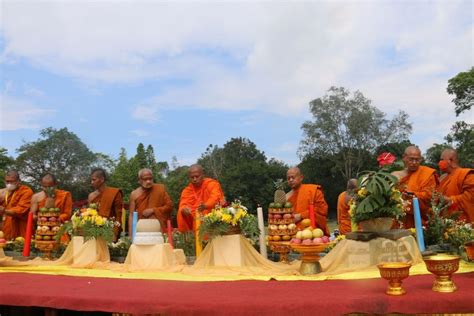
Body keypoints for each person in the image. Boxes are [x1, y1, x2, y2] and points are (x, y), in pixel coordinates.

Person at [392, 145, 438, 228]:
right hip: (398, 217)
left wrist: (413, 194)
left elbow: (430, 195)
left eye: (417, 159)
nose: (414, 162)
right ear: (404, 158)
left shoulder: (427, 173)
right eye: (411, 159)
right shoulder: (395, 175)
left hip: (419, 219)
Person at [177, 164, 225, 232]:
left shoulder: (212, 184)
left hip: (213, 221)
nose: (195, 179)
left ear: (202, 174)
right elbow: (183, 204)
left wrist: (205, 206)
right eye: (192, 177)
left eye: (197, 176)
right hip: (195, 223)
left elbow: (215, 198)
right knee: (181, 212)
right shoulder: (187, 191)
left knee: (204, 213)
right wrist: (184, 209)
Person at [286, 167, 329, 236]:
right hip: (294, 234)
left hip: (314, 233)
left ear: (301, 177)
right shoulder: (286, 197)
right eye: (288, 178)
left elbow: (322, 210)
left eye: (293, 177)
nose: (290, 180)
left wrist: (300, 216)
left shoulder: (313, 190)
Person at [129, 168, 173, 233]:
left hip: (158, 228)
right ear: (139, 180)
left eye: (150, 178)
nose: (148, 181)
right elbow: (132, 215)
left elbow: (169, 206)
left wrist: (153, 210)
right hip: (141, 229)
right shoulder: (134, 194)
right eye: (145, 179)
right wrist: (131, 234)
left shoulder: (160, 189)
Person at [437, 148, 474, 223]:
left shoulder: (466, 174)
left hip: (462, 223)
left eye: (442, 160)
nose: (440, 162)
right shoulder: (442, 178)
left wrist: (449, 200)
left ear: (451, 160)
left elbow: (470, 197)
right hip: (444, 223)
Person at [88, 168, 123, 238]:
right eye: (91, 180)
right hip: (94, 230)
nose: (92, 182)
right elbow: (89, 215)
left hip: (110, 229)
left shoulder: (114, 193)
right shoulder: (91, 196)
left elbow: (118, 215)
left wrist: (114, 233)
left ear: (102, 179)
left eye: (94, 180)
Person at [0, 170, 34, 240]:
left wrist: (4, 211)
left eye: (12, 181)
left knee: (21, 246)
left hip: (21, 227)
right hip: (6, 228)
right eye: (7, 181)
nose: (9, 184)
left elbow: (21, 210)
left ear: (19, 181)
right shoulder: (3, 192)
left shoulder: (26, 191)